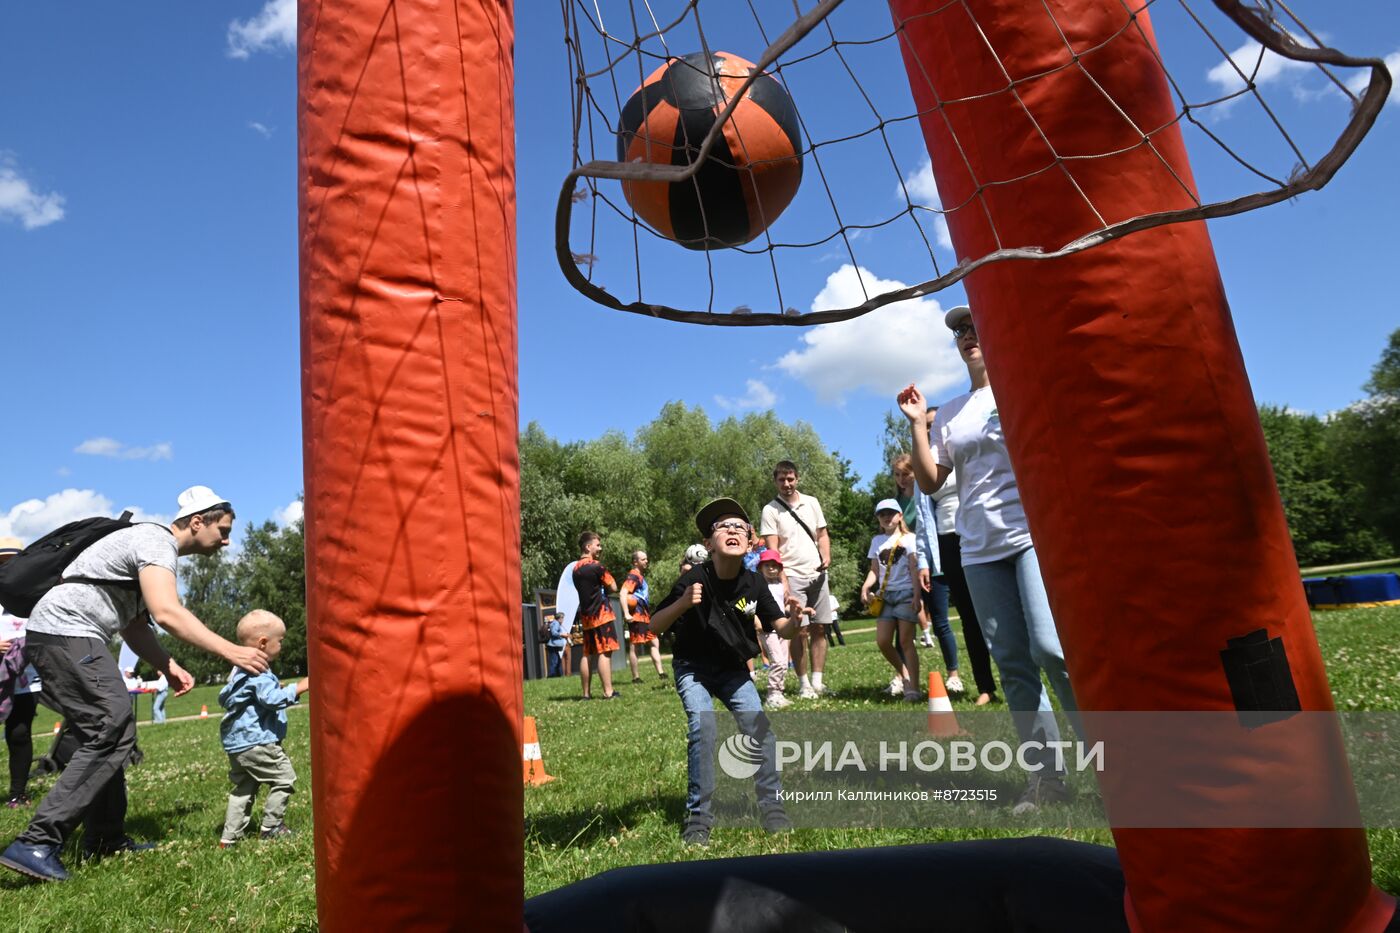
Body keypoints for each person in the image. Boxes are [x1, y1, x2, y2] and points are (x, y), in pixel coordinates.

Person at [0, 486, 270, 882]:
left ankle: (105, 838)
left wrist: (167, 664)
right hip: (65, 634)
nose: (227, 540)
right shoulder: (155, 540)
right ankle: (37, 842)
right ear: (198, 522)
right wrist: (233, 651)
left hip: (65, 636)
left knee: (109, 729)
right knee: (111, 723)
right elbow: (168, 612)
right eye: (223, 530)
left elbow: (133, 624)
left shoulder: (150, 547)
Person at [899, 306, 1078, 813]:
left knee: (1052, 650)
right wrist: (917, 424)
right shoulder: (952, 411)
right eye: (960, 332)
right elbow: (933, 482)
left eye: (976, 326)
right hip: (978, 548)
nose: (967, 336)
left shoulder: (1023, 386)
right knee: (1013, 664)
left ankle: (1117, 767)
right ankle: (1047, 780)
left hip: (1030, 535)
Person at [650, 498, 805, 846]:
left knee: (760, 731)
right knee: (703, 726)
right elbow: (654, 625)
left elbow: (780, 626)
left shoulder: (753, 583)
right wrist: (682, 602)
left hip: (733, 671)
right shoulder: (694, 578)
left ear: (751, 541)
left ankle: (773, 807)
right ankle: (698, 819)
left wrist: (795, 620)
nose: (732, 530)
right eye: (723, 527)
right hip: (694, 668)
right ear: (708, 544)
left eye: (739, 526)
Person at [924, 404, 998, 706]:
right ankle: (985, 686)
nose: (931, 429)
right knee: (968, 615)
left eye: (934, 423)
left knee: (997, 612)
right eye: (926, 425)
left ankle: (1021, 675)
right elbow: (923, 515)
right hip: (946, 543)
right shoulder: (926, 461)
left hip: (981, 531)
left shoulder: (963, 447)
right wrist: (926, 559)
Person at [218, 610, 309, 847]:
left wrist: (273, 685)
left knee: (243, 789)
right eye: (281, 640)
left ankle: (229, 838)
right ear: (263, 643)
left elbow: (253, 695)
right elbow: (272, 700)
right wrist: (298, 688)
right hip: (257, 741)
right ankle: (272, 827)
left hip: (237, 745)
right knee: (284, 779)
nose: (282, 644)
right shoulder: (259, 671)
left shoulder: (239, 670)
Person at [760, 460, 833, 700]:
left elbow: (822, 534)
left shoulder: (811, 502)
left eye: (790, 479)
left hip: (817, 574)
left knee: (820, 627)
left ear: (797, 479)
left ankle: (818, 682)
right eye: (781, 479)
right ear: (775, 481)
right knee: (799, 631)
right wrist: (784, 583)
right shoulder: (770, 510)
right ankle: (804, 685)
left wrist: (826, 555)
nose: (786, 483)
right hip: (791, 574)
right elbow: (773, 552)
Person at [861, 500, 923, 703]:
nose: (887, 517)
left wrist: (916, 595)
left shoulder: (910, 539)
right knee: (883, 641)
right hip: (885, 596)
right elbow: (874, 569)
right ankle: (904, 674)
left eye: (891, 513)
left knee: (906, 642)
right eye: (882, 514)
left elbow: (914, 568)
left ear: (900, 516)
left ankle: (913, 687)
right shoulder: (876, 541)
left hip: (905, 593)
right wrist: (866, 586)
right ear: (878, 519)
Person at [0, 536, 42, 810]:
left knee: (19, 733)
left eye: (11, 562)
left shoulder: (33, 596)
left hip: (26, 679)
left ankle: (17, 793)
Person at [755, 549, 807, 710]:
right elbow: (753, 607)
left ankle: (779, 692)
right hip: (767, 628)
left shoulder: (780, 586)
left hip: (782, 627)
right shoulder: (758, 586)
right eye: (767, 566)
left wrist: (796, 612)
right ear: (760, 568)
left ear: (780, 569)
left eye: (774, 566)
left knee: (784, 662)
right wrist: (756, 621)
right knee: (777, 661)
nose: (771, 569)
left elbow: (783, 606)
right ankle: (772, 694)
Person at [573, 532, 621, 700]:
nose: (600, 548)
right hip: (602, 615)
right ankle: (608, 692)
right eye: (597, 545)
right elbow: (613, 586)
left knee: (587, 654)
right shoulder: (597, 566)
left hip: (586, 617)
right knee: (605, 652)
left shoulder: (575, 569)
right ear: (588, 547)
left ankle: (586, 694)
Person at [620, 550, 667, 686]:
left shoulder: (640, 576)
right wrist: (626, 613)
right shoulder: (633, 576)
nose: (646, 561)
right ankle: (636, 677)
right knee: (635, 645)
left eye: (646, 559)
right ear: (635, 562)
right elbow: (623, 593)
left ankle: (661, 672)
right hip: (637, 616)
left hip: (646, 616)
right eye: (643, 559)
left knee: (654, 642)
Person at [545, 612, 568, 678]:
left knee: (557, 661)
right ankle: (551, 676)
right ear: (560, 618)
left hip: (553, 645)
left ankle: (559, 675)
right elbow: (554, 632)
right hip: (553, 645)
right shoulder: (556, 623)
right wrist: (562, 634)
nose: (563, 620)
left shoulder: (555, 623)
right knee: (554, 661)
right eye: (563, 618)